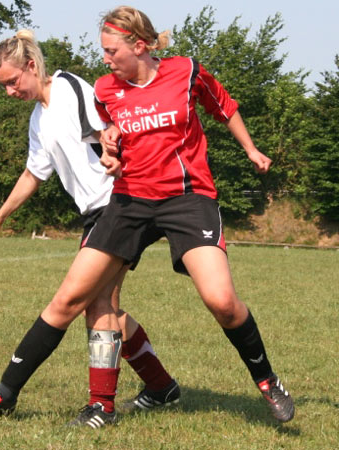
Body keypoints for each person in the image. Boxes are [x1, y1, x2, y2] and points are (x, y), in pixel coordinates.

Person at [0, 30, 179, 428]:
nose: (10, 91)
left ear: (31, 66)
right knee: (105, 305)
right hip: (98, 213)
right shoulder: (39, 119)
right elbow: (33, 174)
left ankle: (12, 394)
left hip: (119, 204)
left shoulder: (70, 88)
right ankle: (160, 387)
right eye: (3, 86)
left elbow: (113, 127)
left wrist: (121, 160)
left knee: (77, 302)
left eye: (13, 81)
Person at [87, 7, 292, 422]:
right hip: (131, 200)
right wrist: (110, 151)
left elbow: (225, 107)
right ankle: (101, 405)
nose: (105, 60)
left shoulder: (186, 72)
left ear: (139, 46)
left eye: (111, 51)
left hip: (187, 198)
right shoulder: (105, 89)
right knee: (91, 297)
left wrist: (251, 149)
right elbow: (113, 132)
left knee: (222, 301)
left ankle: (268, 381)